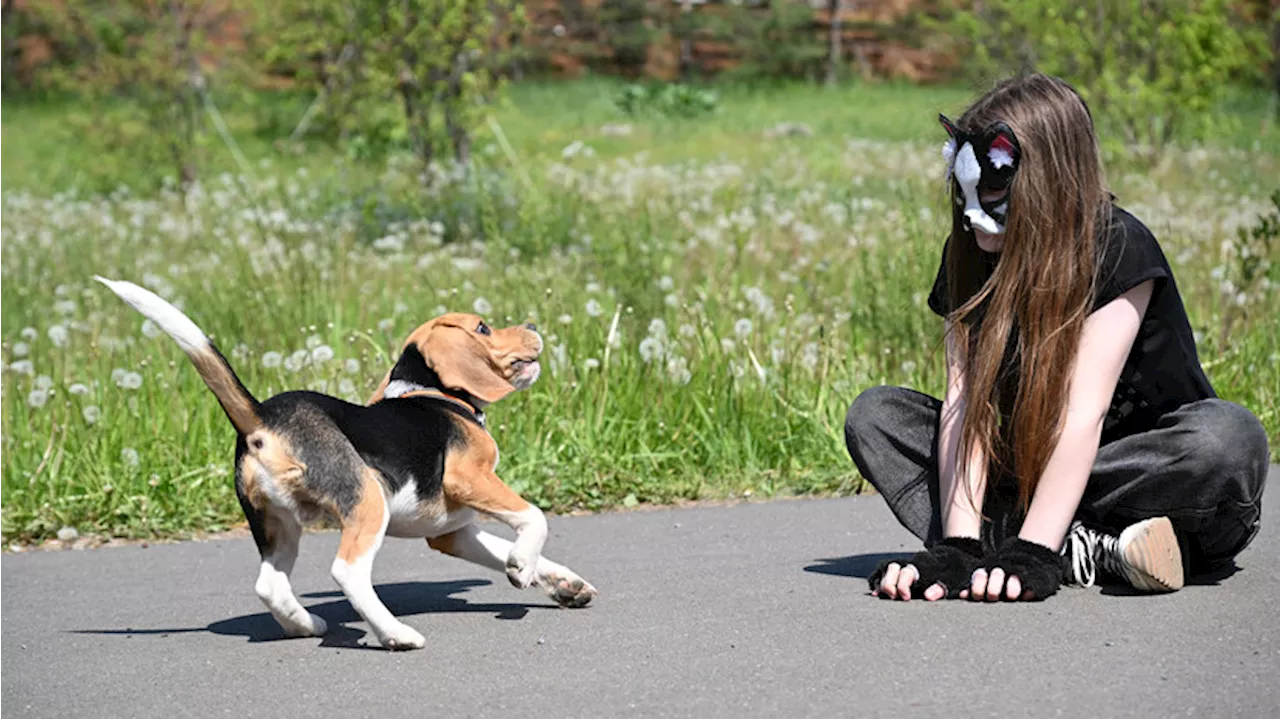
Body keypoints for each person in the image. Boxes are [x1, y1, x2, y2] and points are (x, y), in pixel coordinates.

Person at [843, 73, 1270, 602]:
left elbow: (1080, 414)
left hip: (1142, 477)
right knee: (876, 416)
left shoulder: (1117, 247)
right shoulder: (972, 253)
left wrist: (1033, 554)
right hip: (1028, 470)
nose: (973, 211)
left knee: (1227, 438)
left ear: (1047, 182)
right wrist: (957, 547)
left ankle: (1050, 542)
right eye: (964, 188)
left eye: (994, 190)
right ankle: (1092, 548)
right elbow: (965, 405)